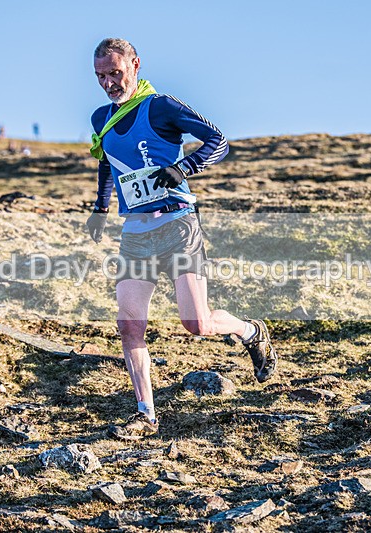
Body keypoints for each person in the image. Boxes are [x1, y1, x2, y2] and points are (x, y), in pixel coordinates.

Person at [86, 38, 278, 440]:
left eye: (115, 73)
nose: (108, 83)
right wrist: (101, 208)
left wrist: (183, 168)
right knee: (129, 326)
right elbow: (107, 162)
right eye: (100, 76)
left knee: (197, 323)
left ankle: (250, 331)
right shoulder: (100, 117)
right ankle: (145, 414)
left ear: (135, 65)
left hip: (177, 225)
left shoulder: (161, 107)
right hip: (136, 231)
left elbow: (218, 141)